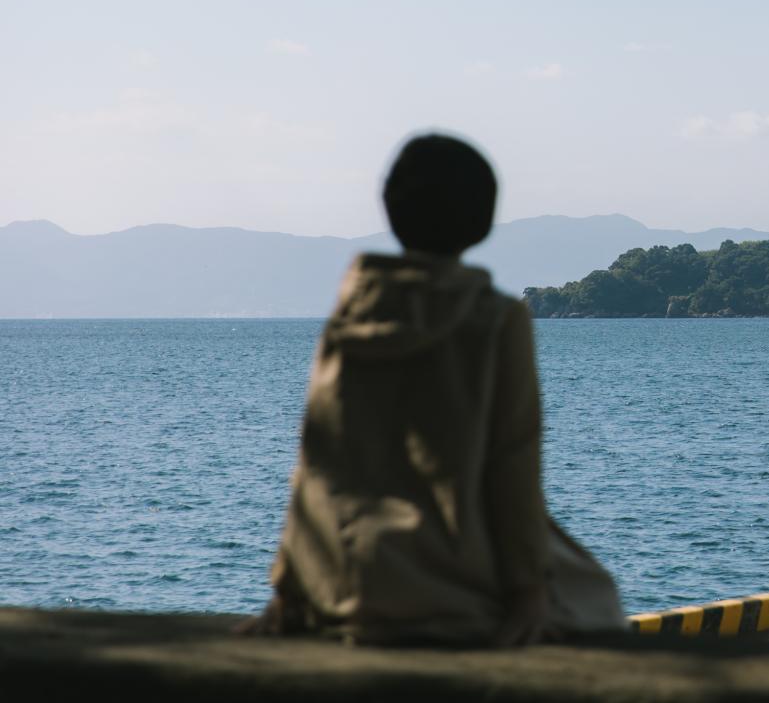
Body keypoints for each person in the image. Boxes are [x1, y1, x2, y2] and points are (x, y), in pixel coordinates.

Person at [240, 133, 623, 645]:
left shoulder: (352, 313)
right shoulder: (496, 318)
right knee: (596, 596)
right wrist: (527, 590)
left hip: (340, 576)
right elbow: (513, 463)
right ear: (483, 219)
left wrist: (290, 589)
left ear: (390, 205)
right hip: (444, 578)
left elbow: (318, 457)